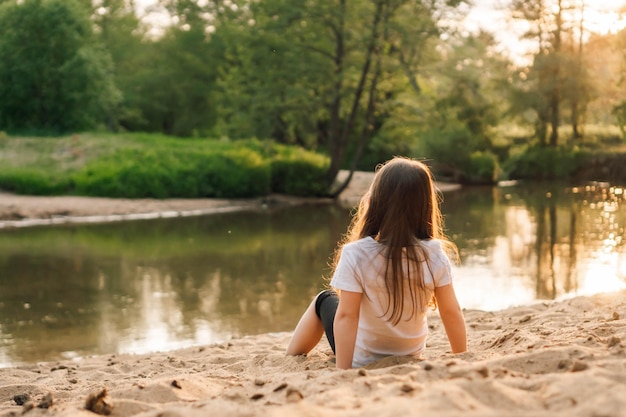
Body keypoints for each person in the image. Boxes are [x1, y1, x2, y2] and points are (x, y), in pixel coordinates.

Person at [286, 157, 467, 369]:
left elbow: (346, 316)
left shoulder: (356, 254)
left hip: (362, 359)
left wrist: (344, 370)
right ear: (426, 205)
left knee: (324, 299)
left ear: (377, 203)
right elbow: (451, 312)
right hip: (410, 355)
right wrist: (462, 357)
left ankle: (291, 356)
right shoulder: (435, 255)